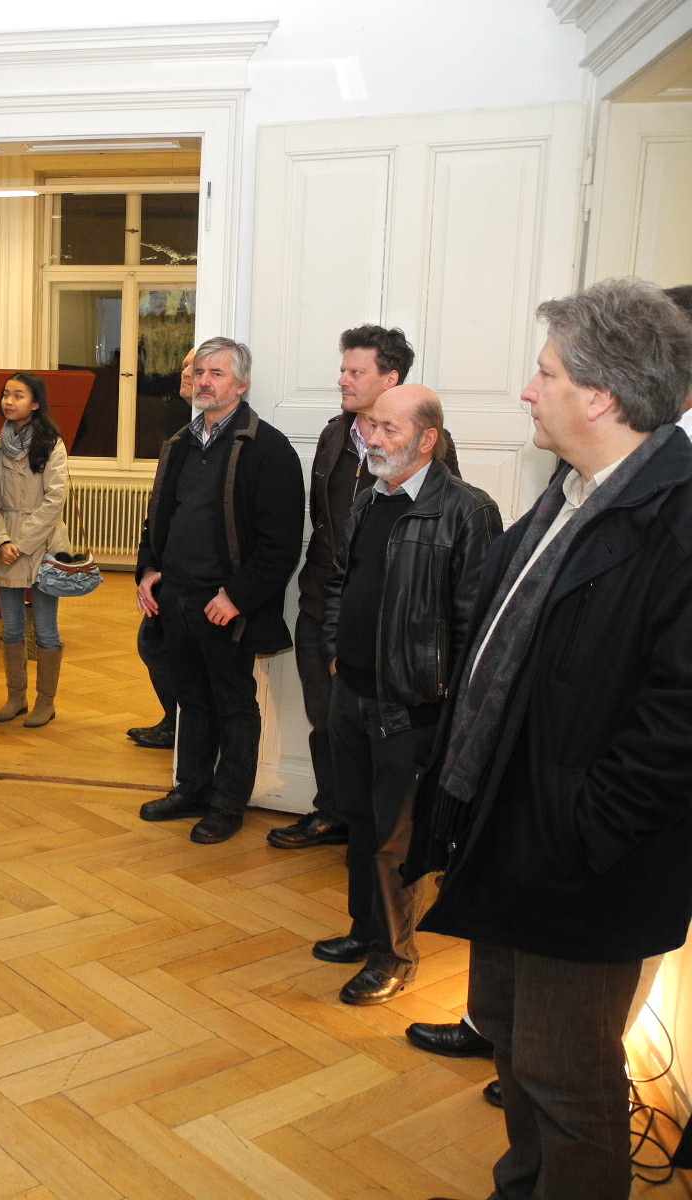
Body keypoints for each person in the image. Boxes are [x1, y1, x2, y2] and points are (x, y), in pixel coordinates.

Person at [409, 279, 692, 1200]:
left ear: (601, 397)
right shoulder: (571, 492)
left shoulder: (677, 517)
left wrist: (581, 829)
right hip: (508, 832)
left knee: (569, 1080)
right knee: (513, 1043)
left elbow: (678, 722)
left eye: (546, 374)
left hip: (582, 862)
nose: (528, 392)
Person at [313, 385, 501, 1006]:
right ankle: (364, 930)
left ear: (427, 440)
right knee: (357, 819)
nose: (371, 438)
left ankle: (394, 955)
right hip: (351, 693)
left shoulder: (467, 511)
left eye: (388, 429)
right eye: (370, 426)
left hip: (411, 707)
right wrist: (336, 648)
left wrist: (454, 713)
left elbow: (476, 626)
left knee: (396, 841)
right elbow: (340, 583)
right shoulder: (369, 499)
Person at [271, 325, 457, 849]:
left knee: (387, 736)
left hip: (387, 619)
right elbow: (323, 521)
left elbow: (438, 535)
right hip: (322, 603)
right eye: (343, 369)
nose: (343, 379)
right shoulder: (335, 433)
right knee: (325, 719)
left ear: (390, 378)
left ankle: (382, 833)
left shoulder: (428, 445)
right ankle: (334, 812)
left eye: (356, 371)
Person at [134, 337, 304, 843]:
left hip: (225, 605)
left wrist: (236, 597)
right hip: (177, 598)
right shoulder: (179, 443)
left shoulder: (269, 449)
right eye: (200, 372)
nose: (204, 382)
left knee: (233, 704)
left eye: (217, 374)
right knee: (190, 698)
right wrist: (148, 569)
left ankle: (229, 804)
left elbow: (280, 544)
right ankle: (191, 790)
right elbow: (158, 516)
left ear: (242, 384)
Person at [0, 372, 70, 727]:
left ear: (35, 403)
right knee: (11, 629)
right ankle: (16, 697)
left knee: (46, 630)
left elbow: (54, 500)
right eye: (6, 394)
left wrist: (21, 543)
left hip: (44, 545)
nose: (9, 401)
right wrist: (2, 541)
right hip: (6, 545)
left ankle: (45, 702)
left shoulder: (51, 444)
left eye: (18, 395)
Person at [128, 347, 191, 750]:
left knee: (162, 648)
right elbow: (159, 508)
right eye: (184, 366)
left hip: (193, 577)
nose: (187, 373)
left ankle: (184, 726)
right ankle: (176, 722)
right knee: (152, 644)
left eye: (196, 367)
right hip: (164, 571)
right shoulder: (180, 430)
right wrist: (148, 567)